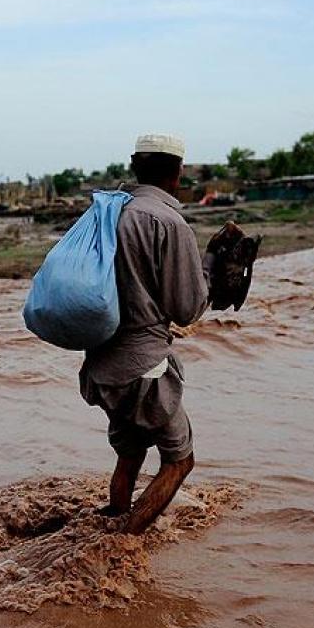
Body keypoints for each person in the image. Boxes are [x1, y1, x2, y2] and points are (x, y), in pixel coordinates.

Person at [80, 133, 210, 534]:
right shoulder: (170, 223)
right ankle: (123, 542)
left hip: (101, 364)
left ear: (136, 165)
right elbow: (186, 308)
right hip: (144, 368)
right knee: (179, 460)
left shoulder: (108, 213)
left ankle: (115, 515)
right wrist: (209, 275)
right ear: (178, 173)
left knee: (132, 453)